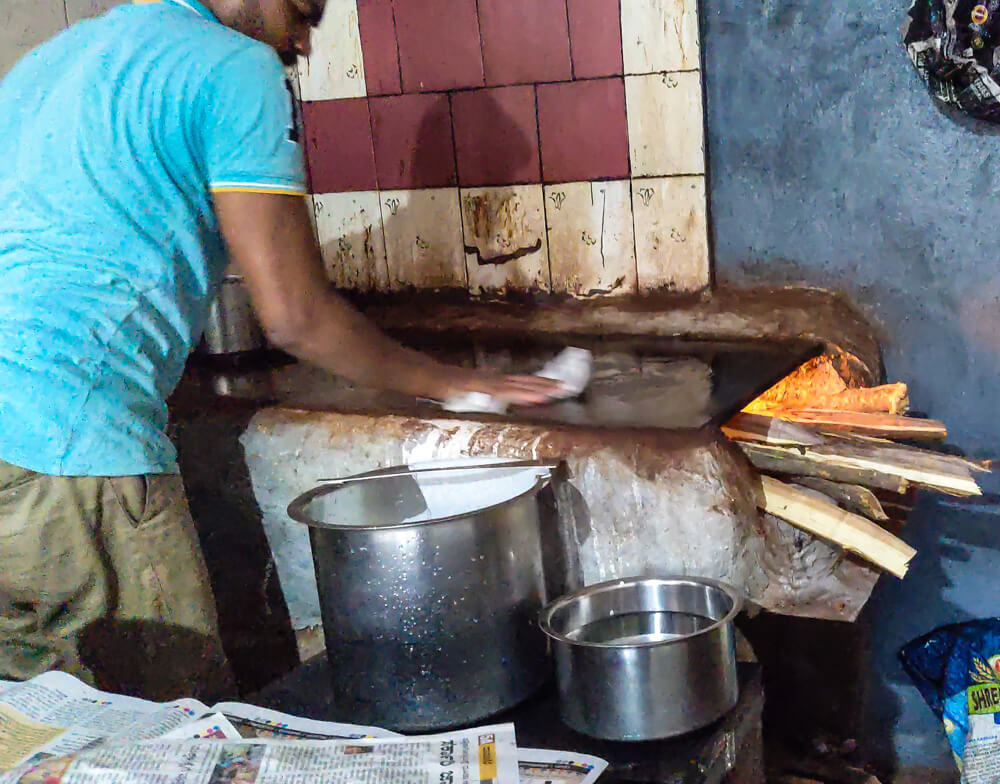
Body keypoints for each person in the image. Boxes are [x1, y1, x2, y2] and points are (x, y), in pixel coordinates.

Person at [0, 0, 561, 699]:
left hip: (17, 454)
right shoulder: (234, 67)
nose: (301, 40)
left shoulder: (59, 58)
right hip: (69, 449)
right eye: (301, 10)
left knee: (38, 709)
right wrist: (451, 381)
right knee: (167, 722)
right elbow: (296, 318)